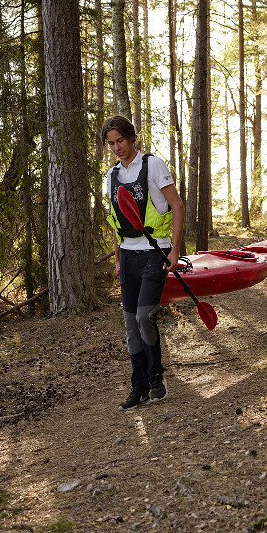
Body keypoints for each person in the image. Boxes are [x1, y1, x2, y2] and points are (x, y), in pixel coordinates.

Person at [103, 115, 184, 411]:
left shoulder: (153, 165)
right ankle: (137, 387)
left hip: (155, 253)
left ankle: (155, 378)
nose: (116, 147)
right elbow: (115, 220)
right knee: (129, 325)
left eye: (120, 141)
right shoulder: (111, 175)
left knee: (143, 318)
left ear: (131, 137)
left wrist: (174, 251)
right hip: (128, 256)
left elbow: (177, 206)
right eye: (111, 143)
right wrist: (117, 258)